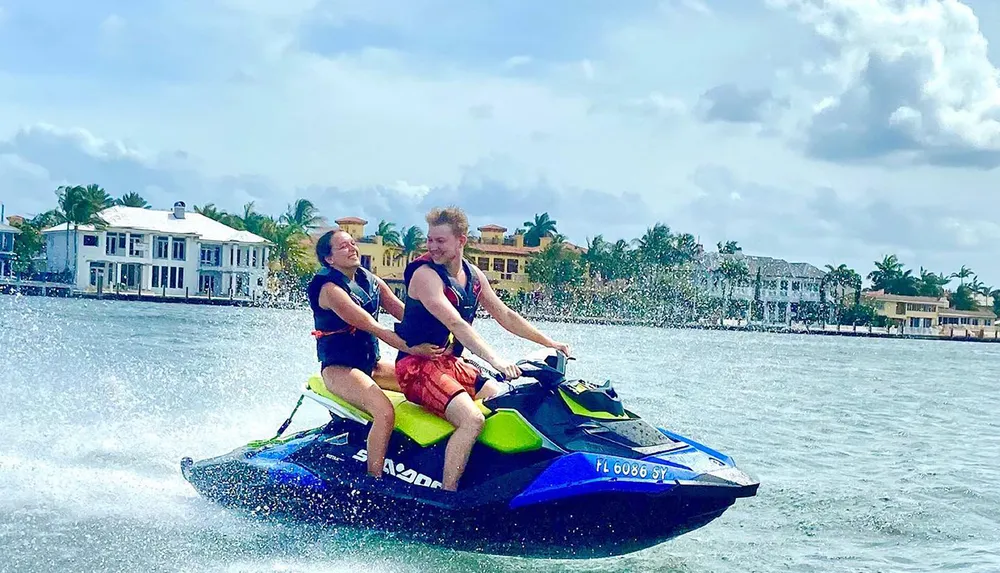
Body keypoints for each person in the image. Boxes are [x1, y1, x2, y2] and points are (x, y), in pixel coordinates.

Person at [393, 206, 572, 491]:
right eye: (430, 240)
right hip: (417, 368)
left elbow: (506, 316)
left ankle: (489, 475)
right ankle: (448, 494)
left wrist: (549, 343)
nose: (433, 247)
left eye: (440, 241)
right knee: (472, 419)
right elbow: (455, 323)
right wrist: (498, 362)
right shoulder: (425, 276)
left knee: (505, 399)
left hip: (450, 365)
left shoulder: (473, 276)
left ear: (461, 240)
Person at [308, 229, 446, 479]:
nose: (352, 248)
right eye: (343, 247)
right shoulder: (330, 290)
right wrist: (414, 349)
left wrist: (443, 334)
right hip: (340, 369)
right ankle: (374, 479)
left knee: (429, 386)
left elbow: (405, 315)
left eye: (353, 243)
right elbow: (374, 327)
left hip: (372, 366)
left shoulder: (371, 282)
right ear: (329, 259)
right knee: (384, 412)